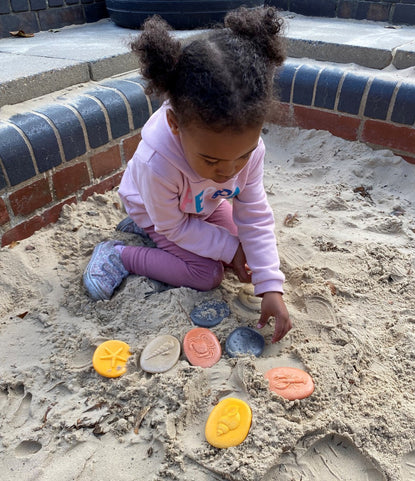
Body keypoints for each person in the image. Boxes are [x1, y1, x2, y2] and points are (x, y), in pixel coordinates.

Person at [83, 6, 292, 343]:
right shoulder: (158, 162)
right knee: (207, 273)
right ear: (175, 124)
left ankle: (152, 233)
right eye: (211, 161)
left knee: (244, 246)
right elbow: (174, 226)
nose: (227, 173)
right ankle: (120, 254)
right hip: (160, 213)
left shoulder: (247, 152)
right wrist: (228, 250)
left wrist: (271, 286)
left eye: (242, 156)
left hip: (200, 205)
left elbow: (253, 213)